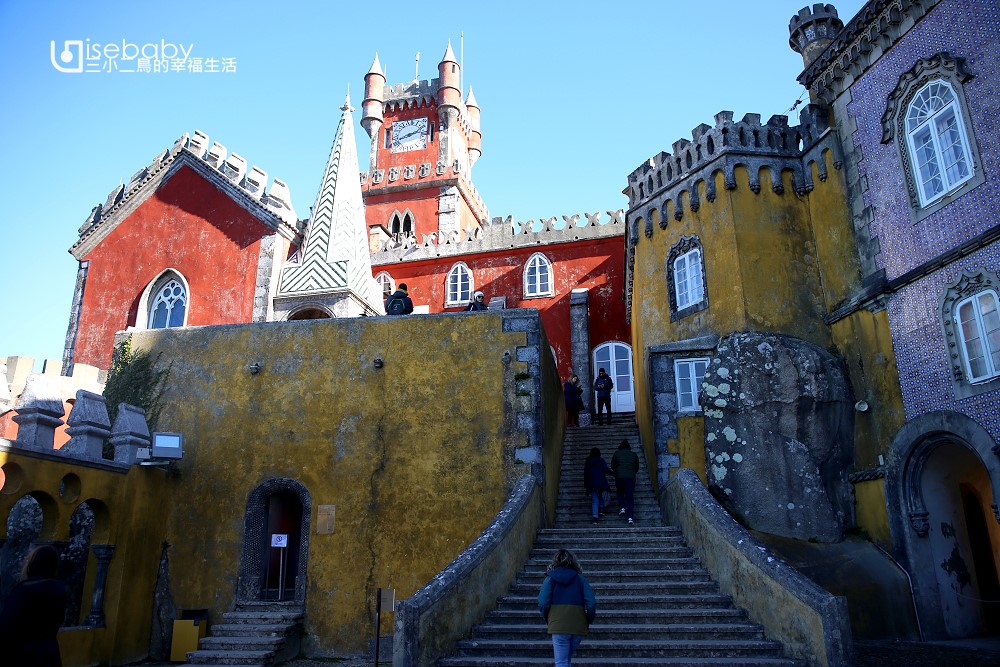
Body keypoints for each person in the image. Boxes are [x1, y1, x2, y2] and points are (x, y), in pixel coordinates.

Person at [0, 544, 69, 667]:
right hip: (49, 653)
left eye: (28, 560)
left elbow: (6, 627)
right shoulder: (59, 589)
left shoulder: (24, 592)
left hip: (22, 655)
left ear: (34, 564)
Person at [537, 549, 596, 667]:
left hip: (558, 625)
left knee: (561, 662)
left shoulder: (550, 579)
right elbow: (591, 603)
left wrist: (548, 618)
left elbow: (543, 602)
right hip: (578, 626)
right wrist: (587, 620)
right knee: (566, 660)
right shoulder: (580, 579)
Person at [611, 439, 640, 525]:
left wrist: (617, 472)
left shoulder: (617, 453)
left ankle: (622, 507)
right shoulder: (634, 455)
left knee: (619, 491)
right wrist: (632, 472)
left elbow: (613, 465)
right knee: (630, 497)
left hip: (619, 477)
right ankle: (630, 518)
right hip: (630, 478)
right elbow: (636, 467)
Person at [583, 447, 612, 524]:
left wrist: (586, 486)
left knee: (594, 500)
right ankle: (601, 509)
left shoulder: (588, 462)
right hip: (601, 482)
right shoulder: (601, 460)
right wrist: (614, 473)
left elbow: (586, 474)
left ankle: (595, 518)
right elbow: (606, 470)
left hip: (591, 483)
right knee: (601, 496)